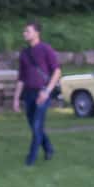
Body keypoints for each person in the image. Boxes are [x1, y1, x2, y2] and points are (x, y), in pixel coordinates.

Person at [12, 21, 60, 165]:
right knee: (34, 126)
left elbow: (57, 71)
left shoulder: (46, 49)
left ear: (37, 33)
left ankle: (30, 159)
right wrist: (16, 99)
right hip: (28, 94)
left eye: (28, 31)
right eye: (24, 31)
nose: (24, 34)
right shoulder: (24, 53)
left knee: (37, 125)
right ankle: (49, 148)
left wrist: (46, 91)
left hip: (42, 93)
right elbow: (21, 77)